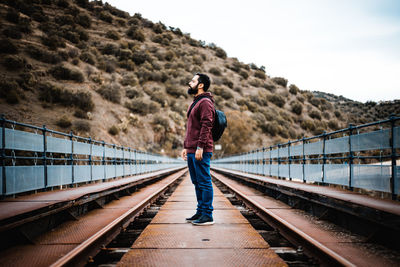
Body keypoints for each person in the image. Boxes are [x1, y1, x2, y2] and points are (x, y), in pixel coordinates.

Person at [181, 73, 215, 225]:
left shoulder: (206, 102)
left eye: (193, 81)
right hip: (191, 149)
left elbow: (207, 125)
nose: (190, 83)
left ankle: (207, 214)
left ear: (200, 85)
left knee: (204, 181)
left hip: (200, 149)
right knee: (196, 181)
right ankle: (200, 211)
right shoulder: (196, 102)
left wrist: (200, 146)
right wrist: (185, 147)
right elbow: (191, 128)